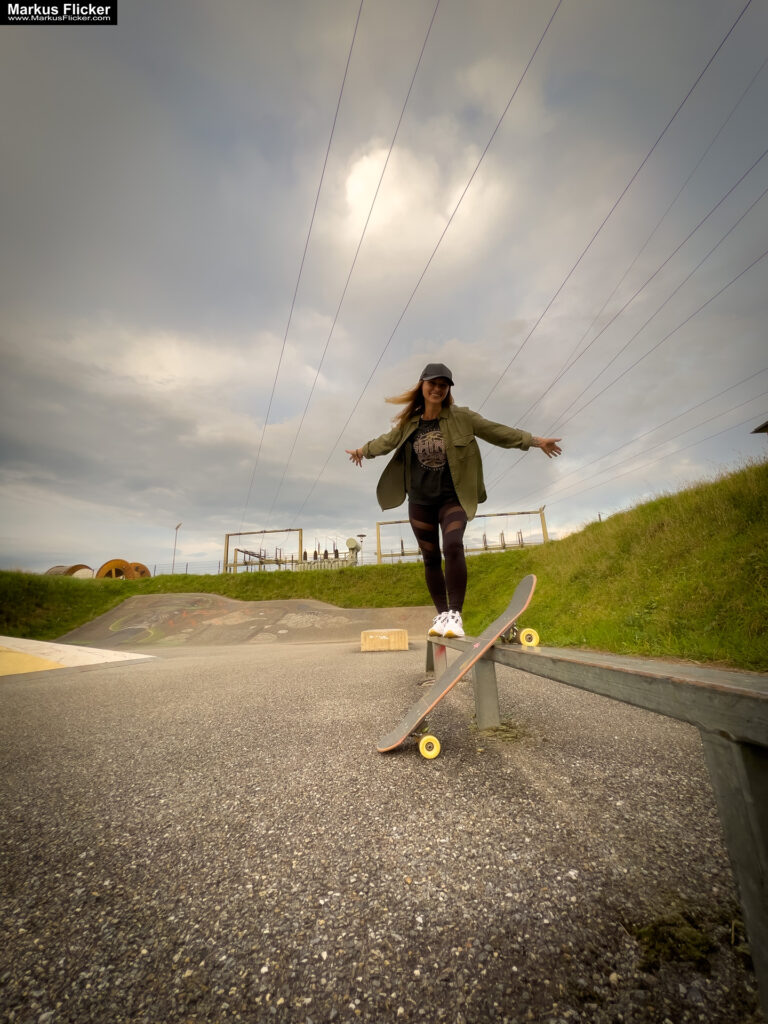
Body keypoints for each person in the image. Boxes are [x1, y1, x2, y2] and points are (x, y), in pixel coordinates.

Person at [346, 362, 562, 638]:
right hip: (420, 501)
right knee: (430, 557)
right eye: (432, 383)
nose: (437, 389)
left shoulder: (462, 417)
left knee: (453, 545)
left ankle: (456, 615)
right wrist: (362, 451)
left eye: (443, 385)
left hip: (453, 498)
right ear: (422, 385)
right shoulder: (409, 423)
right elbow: (385, 442)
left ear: (447, 390)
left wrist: (535, 440)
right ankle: (442, 616)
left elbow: (498, 432)